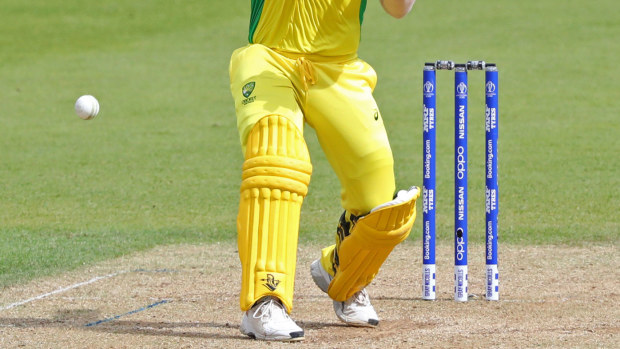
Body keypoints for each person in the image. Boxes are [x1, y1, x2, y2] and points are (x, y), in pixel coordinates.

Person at [229, 0, 419, 342]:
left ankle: (343, 273)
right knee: (276, 157)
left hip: (339, 69)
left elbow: (398, 9)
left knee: (381, 199)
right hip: (271, 60)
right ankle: (264, 299)